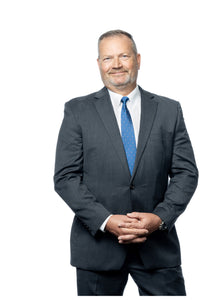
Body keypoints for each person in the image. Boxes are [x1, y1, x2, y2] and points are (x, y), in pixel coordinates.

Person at [54, 29, 198, 296]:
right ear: (99, 64)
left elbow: (186, 173)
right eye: (108, 58)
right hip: (97, 249)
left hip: (157, 248)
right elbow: (66, 178)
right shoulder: (77, 111)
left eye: (124, 56)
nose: (116, 64)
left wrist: (159, 218)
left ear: (138, 59)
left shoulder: (169, 110)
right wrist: (105, 220)